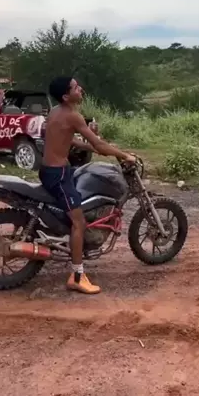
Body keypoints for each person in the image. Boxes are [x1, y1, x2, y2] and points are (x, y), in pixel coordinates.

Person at [40, 76, 136, 294]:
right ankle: (77, 276)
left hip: (52, 170)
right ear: (66, 96)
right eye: (75, 87)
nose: (80, 89)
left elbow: (65, 138)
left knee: (79, 196)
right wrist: (124, 155)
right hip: (58, 175)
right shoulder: (73, 116)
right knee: (79, 222)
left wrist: (89, 147)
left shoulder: (55, 111)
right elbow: (99, 144)